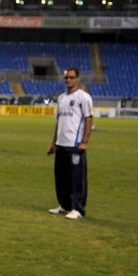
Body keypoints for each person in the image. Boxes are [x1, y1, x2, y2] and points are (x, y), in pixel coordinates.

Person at [47, 67, 93, 220]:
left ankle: (78, 208)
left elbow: (88, 119)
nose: (68, 80)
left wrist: (85, 142)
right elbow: (58, 121)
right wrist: (53, 143)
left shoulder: (84, 97)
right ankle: (65, 205)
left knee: (76, 177)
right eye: (66, 78)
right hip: (61, 144)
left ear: (78, 79)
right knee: (61, 177)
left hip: (75, 145)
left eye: (71, 77)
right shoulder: (61, 98)